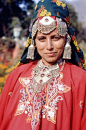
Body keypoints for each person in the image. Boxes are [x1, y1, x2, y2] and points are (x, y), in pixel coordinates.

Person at [0, 0, 86, 130]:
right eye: (42, 39)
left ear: (66, 39)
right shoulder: (16, 75)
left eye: (56, 38)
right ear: (33, 41)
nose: (49, 46)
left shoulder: (80, 79)